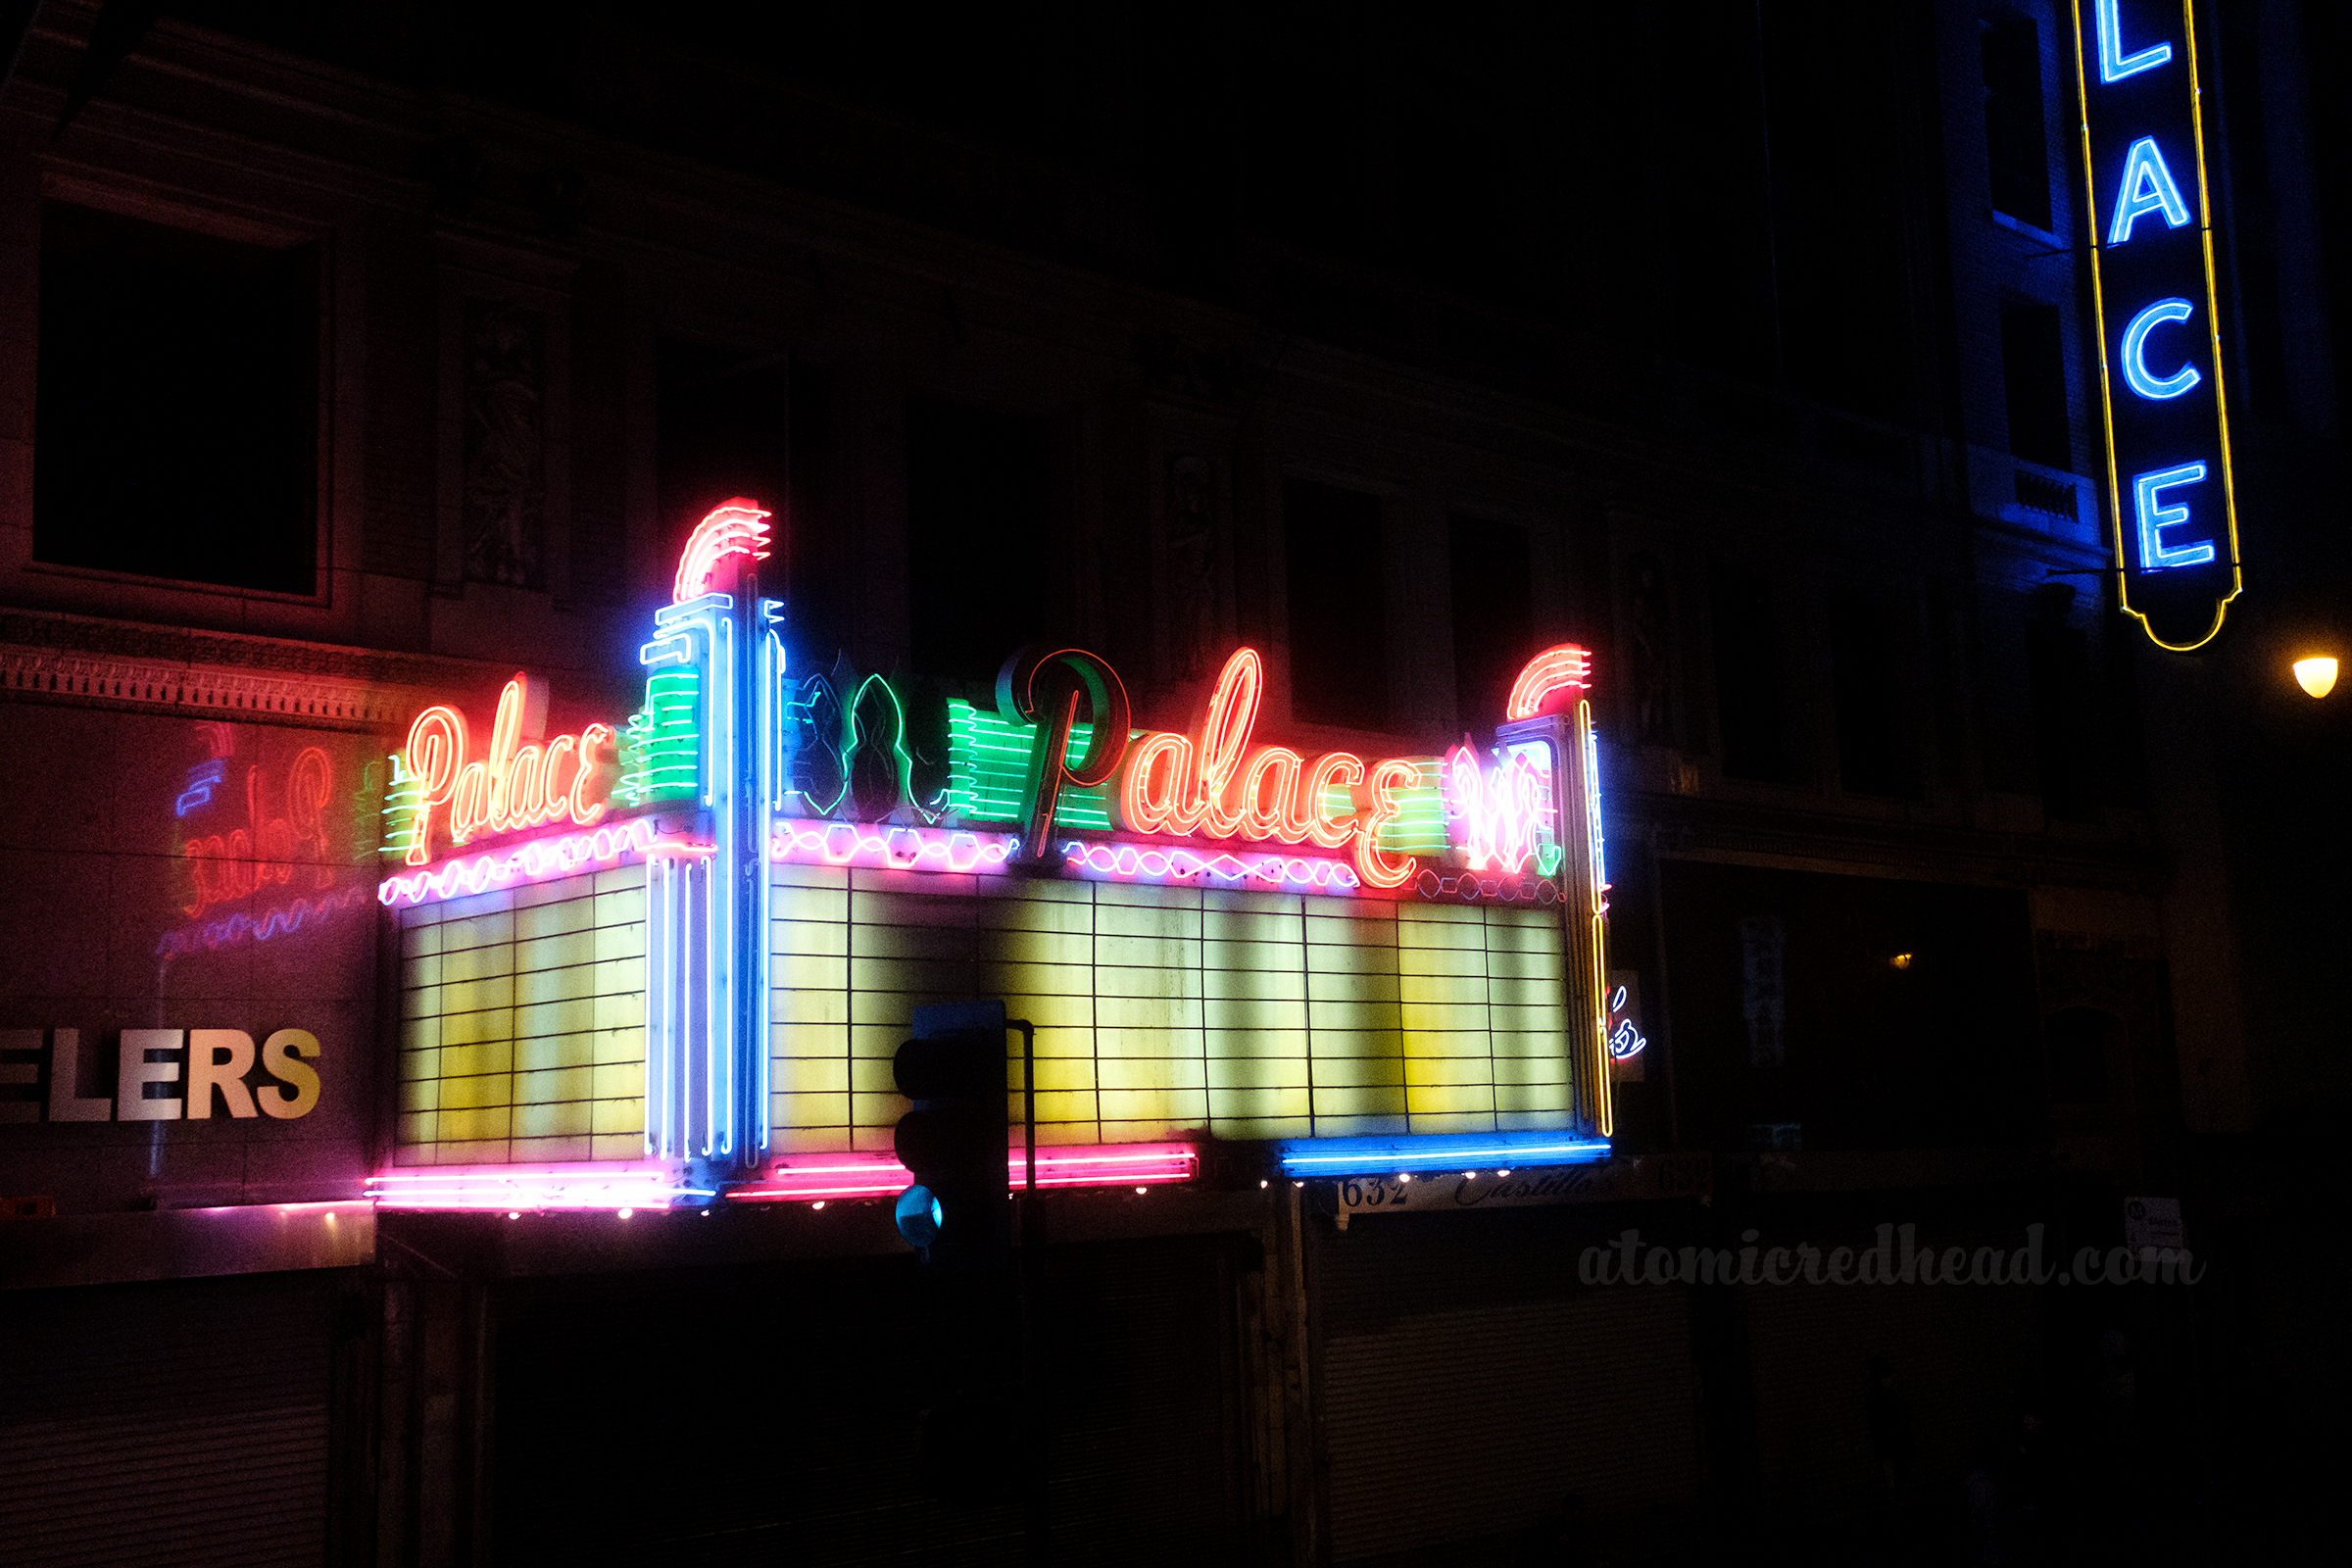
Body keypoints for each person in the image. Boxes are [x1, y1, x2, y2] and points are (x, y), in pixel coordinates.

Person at [1866, 1356, 1914, 1498]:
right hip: (1890, 1450)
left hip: (1890, 1451)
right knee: (1893, 1489)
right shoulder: (1883, 1396)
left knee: (1893, 1488)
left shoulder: (1881, 1396)